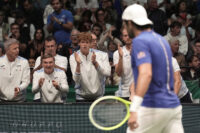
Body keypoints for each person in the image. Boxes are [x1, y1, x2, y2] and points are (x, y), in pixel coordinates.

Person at [122, 4, 183, 133]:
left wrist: (134, 109)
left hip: (153, 107)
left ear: (130, 23)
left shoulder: (139, 41)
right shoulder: (161, 40)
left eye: (125, 24)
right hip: (173, 106)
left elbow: (146, 74)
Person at [69, 32, 111, 102]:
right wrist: (78, 64)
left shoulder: (102, 55)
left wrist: (95, 63)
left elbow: (107, 73)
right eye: (82, 42)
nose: (85, 44)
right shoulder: (73, 57)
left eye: (87, 42)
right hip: (81, 97)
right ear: (79, 43)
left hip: (98, 97)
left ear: (90, 43)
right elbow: (76, 80)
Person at [33, 36, 68, 101]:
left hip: (57, 94)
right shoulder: (39, 58)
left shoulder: (63, 58)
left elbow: (63, 71)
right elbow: (34, 73)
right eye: (48, 46)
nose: (50, 48)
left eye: (52, 46)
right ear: (45, 47)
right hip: (40, 95)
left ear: (56, 46)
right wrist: (41, 63)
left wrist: (50, 62)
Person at [113, 27, 134, 100]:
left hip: (140, 92)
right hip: (124, 93)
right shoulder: (117, 53)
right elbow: (118, 73)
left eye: (129, 35)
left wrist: (135, 56)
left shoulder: (141, 50)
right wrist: (121, 57)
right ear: (122, 38)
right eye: (125, 36)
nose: (127, 37)